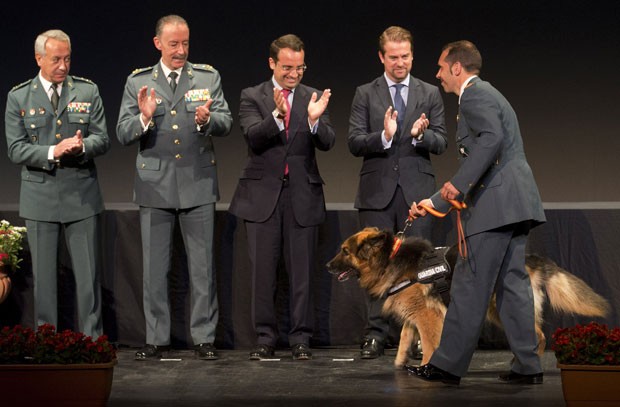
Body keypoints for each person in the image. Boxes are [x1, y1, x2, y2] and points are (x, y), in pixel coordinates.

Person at [407, 40, 546, 386]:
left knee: (469, 284)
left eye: (441, 67)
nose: (437, 74)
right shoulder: (489, 94)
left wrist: (456, 185)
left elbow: (490, 139)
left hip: (494, 208)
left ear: (457, 68)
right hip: (515, 204)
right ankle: (528, 366)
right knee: (512, 285)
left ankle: (447, 366)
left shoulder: (474, 94)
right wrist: (435, 202)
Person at [116, 15, 232, 361]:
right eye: (173, 44)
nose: (181, 50)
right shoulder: (139, 82)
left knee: (202, 269)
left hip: (197, 182)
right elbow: (123, 133)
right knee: (154, 269)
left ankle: (204, 338)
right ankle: (156, 338)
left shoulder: (207, 77)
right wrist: (145, 117)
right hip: (155, 184)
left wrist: (207, 119)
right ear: (158, 44)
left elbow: (225, 122)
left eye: (185, 43)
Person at [229, 34, 335, 361]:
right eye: (287, 67)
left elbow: (328, 142)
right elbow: (254, 138)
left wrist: (315, 121)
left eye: (299, 67)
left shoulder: (312, 96)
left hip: (302, 195)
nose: (294, 74)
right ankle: (265, 337)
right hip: (263, 196)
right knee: (263, 273)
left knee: (302, 272)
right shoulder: (252, 96)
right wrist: (276, 116)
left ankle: (301, 338)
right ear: (272, 62)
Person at [348, 26, 447, 359]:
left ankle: (422, 333)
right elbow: (354, 141)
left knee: (419, 269)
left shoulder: (429, 93)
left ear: (412, 55)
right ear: (382, 57)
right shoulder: (366, 93)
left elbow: (443, 141)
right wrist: (385, 136)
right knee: (374, 267)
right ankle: (375, 334)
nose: (400, 62)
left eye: (405, 56)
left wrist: (421, 135)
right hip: (377, 193)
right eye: (393, 57)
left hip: (417, 194)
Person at [4, 29, 110, 338]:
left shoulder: (87, 92)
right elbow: (15, 149)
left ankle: (93, 342)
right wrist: (53, 150)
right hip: (40, 197)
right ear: (39, 58)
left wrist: (82, 146)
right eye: (56, 59)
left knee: (89, 277)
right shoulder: (19, 96)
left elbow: (102, 138)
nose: (63, 66)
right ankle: (47, 343)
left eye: (67, 59)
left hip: (82, 195)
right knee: (45, 280)